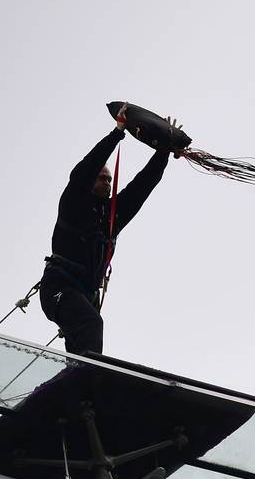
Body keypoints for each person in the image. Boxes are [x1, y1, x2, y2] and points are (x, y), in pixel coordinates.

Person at [39, 104, 182, 355]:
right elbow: (86, 168)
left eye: (109, 179)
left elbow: (142, 186)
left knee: (81, 340)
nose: (106, 182)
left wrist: (164, 151)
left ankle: (77, 388)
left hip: (84, 295)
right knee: (91, 324)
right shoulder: (73, 201)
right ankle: (89, 383)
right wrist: (117, 133)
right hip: (59, 287)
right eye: (101, 178)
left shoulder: (112, 217)